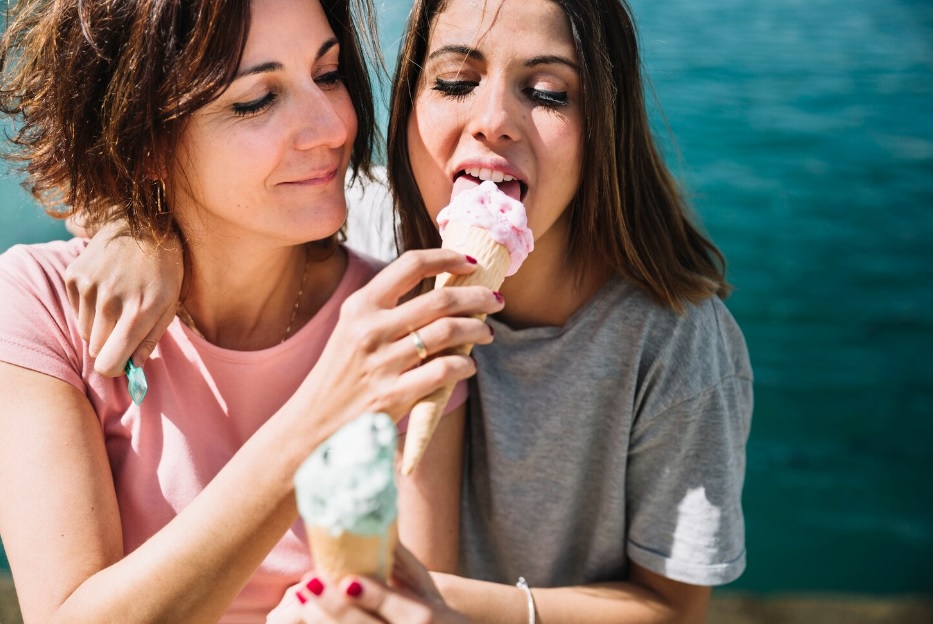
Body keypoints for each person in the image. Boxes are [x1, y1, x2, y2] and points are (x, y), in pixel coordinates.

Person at [61, 0, 754, 621]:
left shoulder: (676, 343)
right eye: (453, 83)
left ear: (604, 123)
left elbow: (669, 608)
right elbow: (187, 165)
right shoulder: (367, 225)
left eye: (546, 93)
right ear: (409, 103)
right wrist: (139, 229)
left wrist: (438, 602)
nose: (492, 123)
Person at [0, 0, 503, 622]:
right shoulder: (45, 305)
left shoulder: (397, 327)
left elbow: (411, 602)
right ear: (144, 138)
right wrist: (325, 410)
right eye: (256, 100)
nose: (332, 127)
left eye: (328, 74)